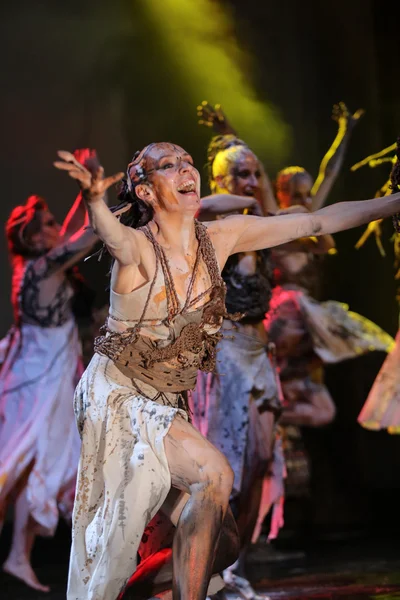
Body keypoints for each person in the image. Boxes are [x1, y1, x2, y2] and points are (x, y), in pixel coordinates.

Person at [54, 141, 400, 600]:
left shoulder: (222, 237)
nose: (185, 170)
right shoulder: (137, 248)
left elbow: (316, 220)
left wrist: (395, 202)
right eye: (169, 166)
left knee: (224, 542)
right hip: (119, 399)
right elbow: (112, 236)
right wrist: (96, 199)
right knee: (214, 474)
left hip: (165, 404)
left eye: (186, 162)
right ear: (146, 191)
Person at [190, 133, 284, 599]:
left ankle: (235, 563)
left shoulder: (263, 230)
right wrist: (250, 193)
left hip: (259, 350)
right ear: (222, 180)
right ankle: (215, 572)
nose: (251, 181)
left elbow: (320, 233)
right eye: (240, 174)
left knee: (262, 461)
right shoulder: (211, 226)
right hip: (225, 351)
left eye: (255, 173)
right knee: (225, 468)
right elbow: (204, 203)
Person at [0, 150, 98, 592]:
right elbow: (90, 233)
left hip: (41, 371)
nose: (57, 228)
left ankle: (20, 556)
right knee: (22, 461)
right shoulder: (43, 266)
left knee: (30, 462)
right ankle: (21, 556)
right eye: (49, 224)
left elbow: (72, 233)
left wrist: (86, 190)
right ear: (33, 236)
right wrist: (104, 191)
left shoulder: (30, 264)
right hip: (40, 379)